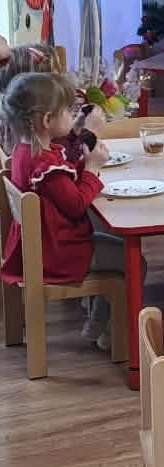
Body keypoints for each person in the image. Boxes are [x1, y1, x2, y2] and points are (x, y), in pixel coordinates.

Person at [0, 72, 123, 347]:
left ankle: (99, 323)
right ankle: (105, 329)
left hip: (41, 247)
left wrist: (76, 133)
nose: (72, 114)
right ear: (47, 120)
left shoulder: (26, 152)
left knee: (111, 244)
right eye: (68, 111)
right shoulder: (46, 166)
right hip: (60, 252)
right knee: (130, 259)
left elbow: (65, 169)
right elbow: (76, 204)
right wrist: (93, 168)